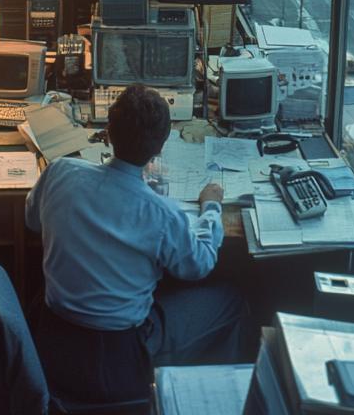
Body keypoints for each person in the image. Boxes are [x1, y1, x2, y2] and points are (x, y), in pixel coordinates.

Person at [25, 84, 251, 375]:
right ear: (160, 146)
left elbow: (32, 221)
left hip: (54, 337)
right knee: (231, 297)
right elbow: (200, 265)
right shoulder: (162, 213)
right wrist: (211, 208)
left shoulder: (59, 172)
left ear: (109, 131)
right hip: (120, 352)